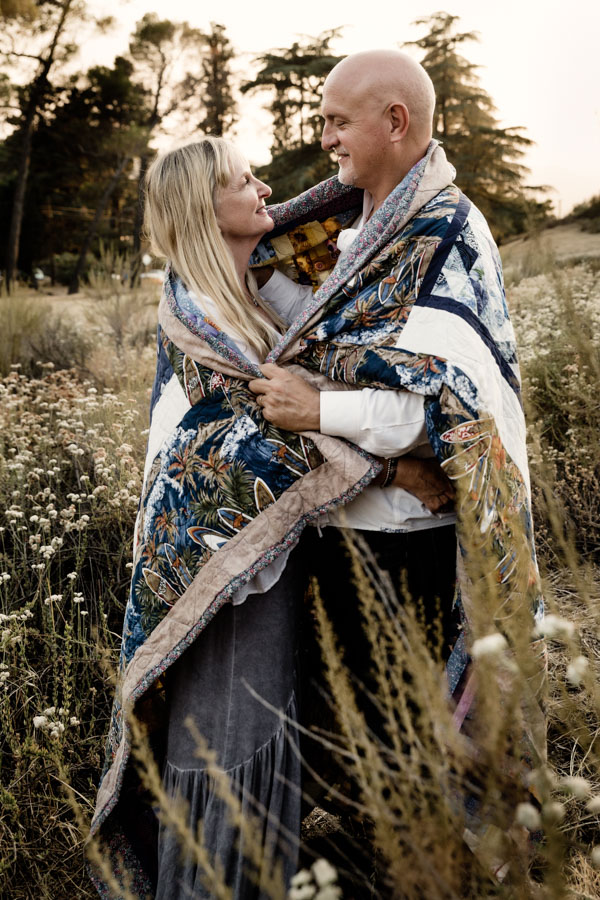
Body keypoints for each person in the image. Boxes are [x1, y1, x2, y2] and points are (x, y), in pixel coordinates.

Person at [89, 135, 454, 900]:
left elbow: (319, 374)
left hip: (266, 564)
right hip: (222, 581)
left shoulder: (258, 289)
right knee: (229, 749)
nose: (265, 190)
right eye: (243, 180)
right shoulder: (198, 314)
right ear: (203, 207)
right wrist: (396, 468)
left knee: (261, 738)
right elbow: (254, 446)